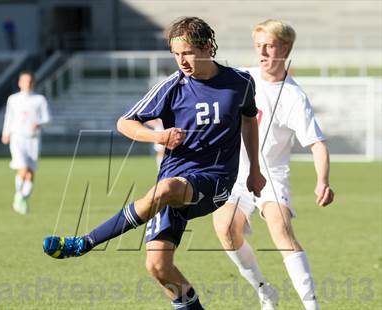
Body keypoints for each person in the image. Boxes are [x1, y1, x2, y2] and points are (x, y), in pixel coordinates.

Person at [43, 17, 265, 309]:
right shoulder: (172, 87)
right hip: (175, 178)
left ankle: (85, 242)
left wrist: (255, 172)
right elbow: (125, 123)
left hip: (215, 180)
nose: (181, 60)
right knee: (159, 266)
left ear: (207, 47)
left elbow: (249, 120)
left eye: (186, 52)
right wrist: (159, 137)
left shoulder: (240, 82)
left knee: (164, 190)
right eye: (175, 54)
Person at [212, 19, 335, 310]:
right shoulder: (242, 78)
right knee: (225, 227)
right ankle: (264, 290)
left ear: (286, 48)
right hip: (237, 173)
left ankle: (311, 306)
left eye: (270, 45)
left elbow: (317, 143)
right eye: (258, 46)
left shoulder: (294, 96)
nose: (263, 52)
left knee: (280, 229)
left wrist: (323, 181)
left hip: (271, 175)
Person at [1, 71, 51, 214]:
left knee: (30, 174)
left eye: (30, 81)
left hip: (33, 140)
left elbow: (48, 119)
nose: (27, 84)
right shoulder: (13, 99)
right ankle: (19, 196)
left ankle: (22, 198)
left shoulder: (39, 99)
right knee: (22, 169)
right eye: (25, 81)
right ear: (19, 83)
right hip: (17, 138)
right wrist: (5, 133)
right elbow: (9, 117)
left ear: (33, 83)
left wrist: (39, 123)